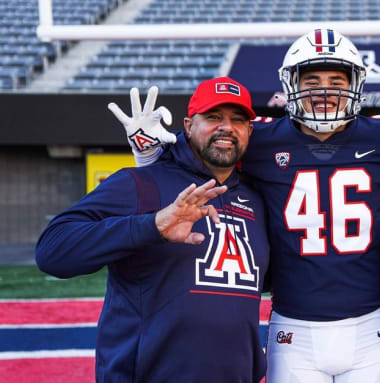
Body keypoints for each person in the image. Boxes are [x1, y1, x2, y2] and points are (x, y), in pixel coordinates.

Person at [114, 30, 380, 382]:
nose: (324, 92)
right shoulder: (260, 139)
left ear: (357, 86)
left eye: (337, 82)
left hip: (370, 325)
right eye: (312, 81)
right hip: (292, 328)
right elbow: (207, 154)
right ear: (291, 86)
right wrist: (156, 158)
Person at [35, 77, 270, 383]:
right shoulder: (141, 183)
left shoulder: (255, 198)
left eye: (237, 120)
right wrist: (153, 225)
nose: (226, 127)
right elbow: (52, 251)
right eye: (213, 117)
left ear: (249, 131)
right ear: (187, 126)